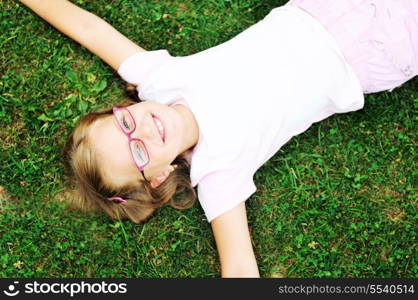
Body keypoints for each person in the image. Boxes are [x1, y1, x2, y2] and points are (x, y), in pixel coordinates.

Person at [20, 0, 417, 277]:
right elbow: (240, 269)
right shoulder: (217, 173)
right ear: (158, 177)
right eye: (138, 151)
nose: (141, 130)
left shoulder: (157, 81)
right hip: (380, 50)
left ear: (123, 108)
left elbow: (87, 27)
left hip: (319, 8)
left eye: (125, 124)